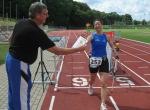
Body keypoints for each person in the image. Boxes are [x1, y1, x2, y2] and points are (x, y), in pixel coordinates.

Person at [5, 2, 86, 110]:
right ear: (37, 15)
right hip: (19, 63)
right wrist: (79, 49)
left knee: (13, 93)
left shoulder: (21, 22)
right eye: (45, 14)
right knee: (21, 98)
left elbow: (10, 39)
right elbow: (57, 51)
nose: (47, 16)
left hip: (11, 59)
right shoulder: (36, 31)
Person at [86, 20, 118, 110]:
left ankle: (103, 104)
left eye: (98, 24)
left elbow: (111, 45)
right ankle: (90, 86)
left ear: (101, 25)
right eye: (95, 24)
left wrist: (116, 53)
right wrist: (85, 43)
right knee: (92, 78)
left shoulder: (106, 36)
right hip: (94, 60)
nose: (97, 25)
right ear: (94, 26)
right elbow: (87, 41)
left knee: (103, 83)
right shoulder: (92, 35)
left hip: (104, 60)